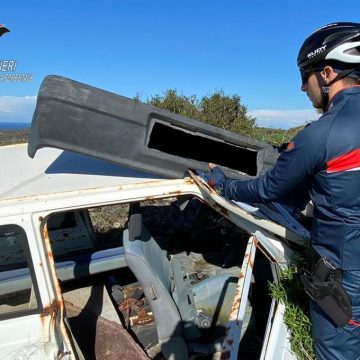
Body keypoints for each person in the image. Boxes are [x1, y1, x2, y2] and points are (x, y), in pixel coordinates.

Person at [201, 22, 360, 359]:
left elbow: (269, 189)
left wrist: (222, 184)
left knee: (339, 350)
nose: (303, 87)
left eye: (306, 76)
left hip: (347, 275)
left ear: (328, 73)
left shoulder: (323, 133)